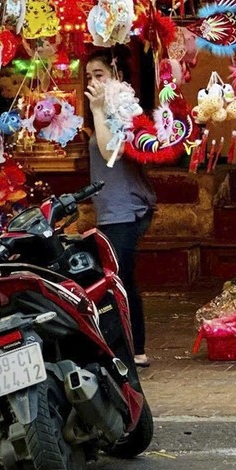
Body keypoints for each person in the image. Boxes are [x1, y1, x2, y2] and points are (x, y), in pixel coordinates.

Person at [83, 48, 157, 368]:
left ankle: (134, 348)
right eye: (89, 77)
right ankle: (121, 345)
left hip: (126, 210)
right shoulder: (109, 111)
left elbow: (108, 149)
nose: (93, 82)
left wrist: (98, 110)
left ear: (117, 77)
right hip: (111, 209)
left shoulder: (124, 114)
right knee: (115, 279)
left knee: (121, 280)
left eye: (99, 75)